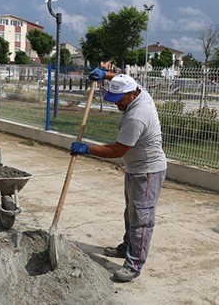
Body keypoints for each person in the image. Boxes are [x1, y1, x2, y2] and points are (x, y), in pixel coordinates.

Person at [70, 68, 167, 282]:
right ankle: (126, 247)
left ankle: (133, 265)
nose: (116, 104)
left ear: (132, 94)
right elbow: (124, 79)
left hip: (148, 170)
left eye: (119, 100)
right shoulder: (139, 92)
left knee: (142, 218)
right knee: (131, 212)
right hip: (135, 168)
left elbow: (116, 151)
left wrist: (86, 149)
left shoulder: (138, 115)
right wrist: (105, 75)